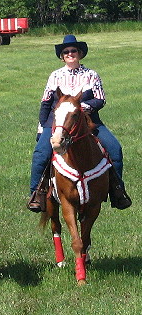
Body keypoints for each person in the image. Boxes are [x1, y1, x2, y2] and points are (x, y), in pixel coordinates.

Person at [28, 35, 131, 212]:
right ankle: (36, 194)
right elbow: (45, 103)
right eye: (66, 52)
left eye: (73, 51)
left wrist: (82, 107)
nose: (70, 54)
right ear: (62, 56)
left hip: (88, 121)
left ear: (80, 53)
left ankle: (116, 190)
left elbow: (100, 99)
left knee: (115, 149)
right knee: (41, 154)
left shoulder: (91, 75)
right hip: (57, 122)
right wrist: (41, 127)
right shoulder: (55, 76)